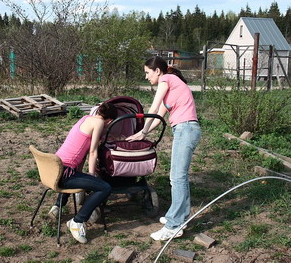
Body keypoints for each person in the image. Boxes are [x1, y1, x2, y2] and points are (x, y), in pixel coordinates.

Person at [126, 56, 201, 241]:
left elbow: (152, 108)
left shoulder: (166, 79)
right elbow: (159, 116)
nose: (146, 77)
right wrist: (142, 134)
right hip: (184, 129)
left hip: (186, 129)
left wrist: (143, 126)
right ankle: (179, 217)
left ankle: (174, 225)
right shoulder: (172, 86)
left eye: (147, 72)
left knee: (177, 177)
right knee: (178, 177)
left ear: (157, 71)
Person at [48, 102, 117, 244]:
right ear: (109, 121)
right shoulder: (98, 123)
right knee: (105, 188)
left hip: (54, 168)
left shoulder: (85, 118)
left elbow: (81, 150)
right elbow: (92, 152)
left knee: (82, 177)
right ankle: (77, 221)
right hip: (65, 174)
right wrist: (92, 176)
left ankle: (58, 205)